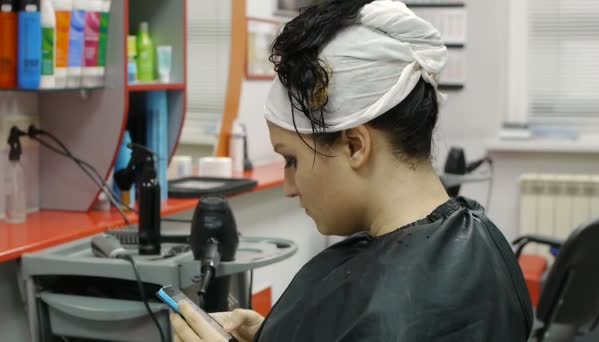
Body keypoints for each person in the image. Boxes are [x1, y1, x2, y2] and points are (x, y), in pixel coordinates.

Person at [170, 0, 533, 341]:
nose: (288, 187)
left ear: (355, 146)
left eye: (292, 160)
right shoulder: (488, 242)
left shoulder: (385, 313)